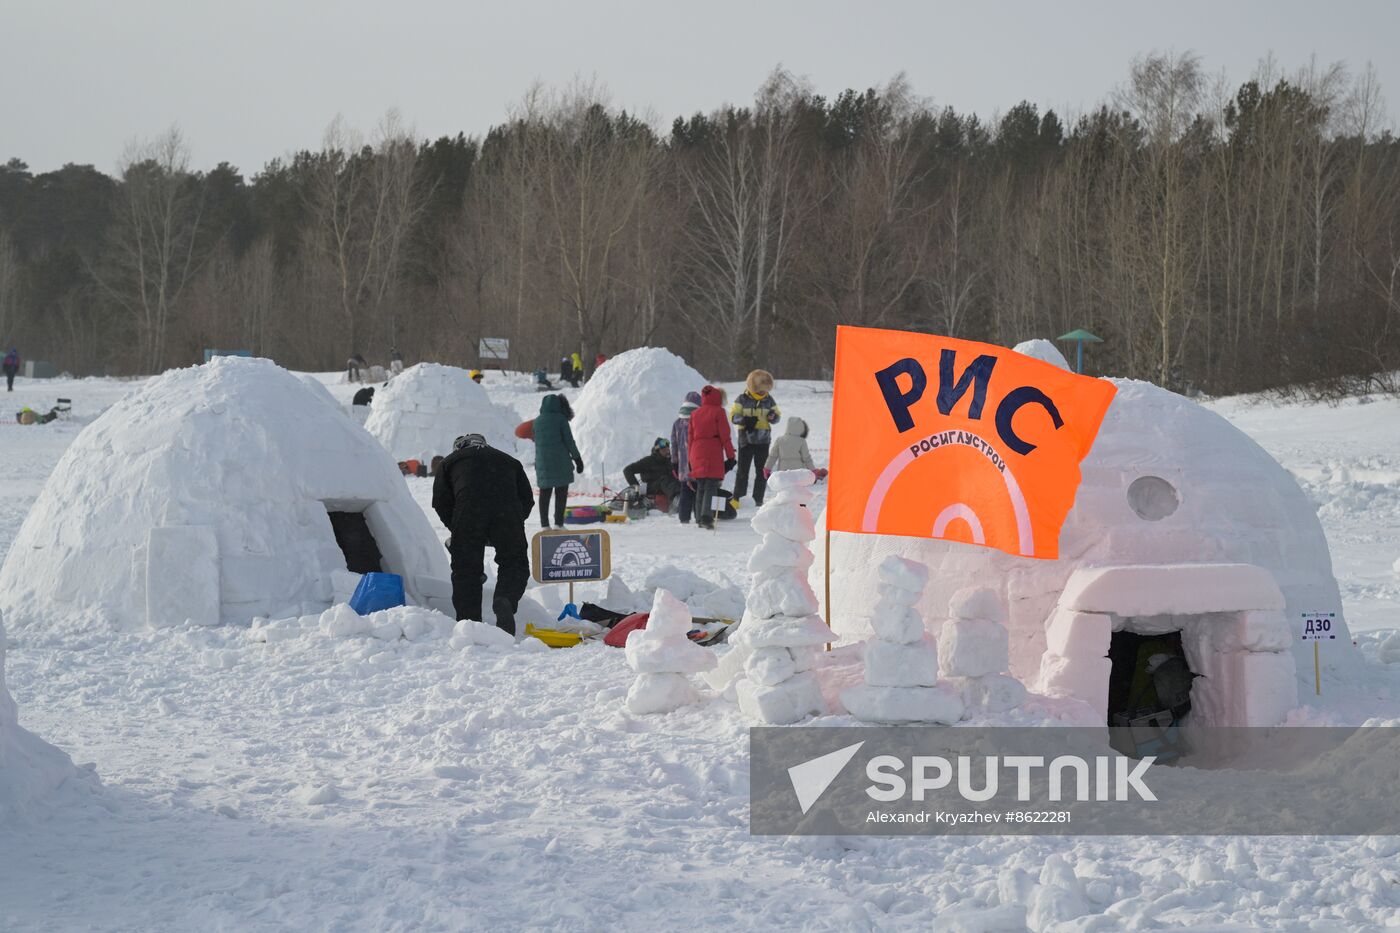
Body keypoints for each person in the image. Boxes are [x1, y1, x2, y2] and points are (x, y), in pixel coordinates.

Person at [432, 433, 534, 634]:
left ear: (460, 447)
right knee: (514, 562)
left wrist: (457, 528)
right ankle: (505, 598)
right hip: (507, 512)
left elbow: (440, 501)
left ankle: (469, 624)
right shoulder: (509, 461)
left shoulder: (450, 462)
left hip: (468, 511)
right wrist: (511, 524)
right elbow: (527, 499)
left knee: (466, 570)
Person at [729, 369, 781, 507]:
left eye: (766, 390)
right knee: (742, 471)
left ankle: (758, 499)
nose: (764, 393)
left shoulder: (769, 400)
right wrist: (744, 420)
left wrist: (773, 417)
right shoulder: (742, 399)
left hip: (763, 441)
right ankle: (738, 499)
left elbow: (777, 415)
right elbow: (733, 416)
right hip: (746, 440)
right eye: (761, 390)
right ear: (754, 388)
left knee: (761, 471)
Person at [688, 385, 736, 530]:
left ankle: (698, 517)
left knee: (701, 486)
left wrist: (690, 460)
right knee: (711, 486)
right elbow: (725, 437)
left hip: (696, 451)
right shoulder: (719, 412)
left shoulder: (695, 413)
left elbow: (689, 439)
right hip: (712, 451)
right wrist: (731, 456)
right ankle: (706, 517)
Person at [533, 393, 584, 529]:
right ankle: (558, 524)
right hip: (561, 463)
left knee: (544, 494)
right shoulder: (561, 419)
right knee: (561, 494)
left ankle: (544, 525)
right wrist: (578, 459)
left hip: (543, 463)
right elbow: (569, 442)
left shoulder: (537, 421)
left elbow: (537, 444)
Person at [670, 391, 701, 523]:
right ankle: (699, 516)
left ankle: (684, 518)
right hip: (698, 464)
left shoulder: (677, 423)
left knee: (685, 492)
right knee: (699, 492)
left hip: (683, 467)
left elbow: (674, 445)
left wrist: (674, 463)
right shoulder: (699, 422)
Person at [623, 438, 682, 503]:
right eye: (664, 449)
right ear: (657, 450)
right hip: (651, 487)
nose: (667, 451)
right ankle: (678, 500)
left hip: (667, 487)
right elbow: (627, 470)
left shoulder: (671, 461)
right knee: (664, 479)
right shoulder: (649, 461)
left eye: (668, 449)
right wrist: (636, 489)